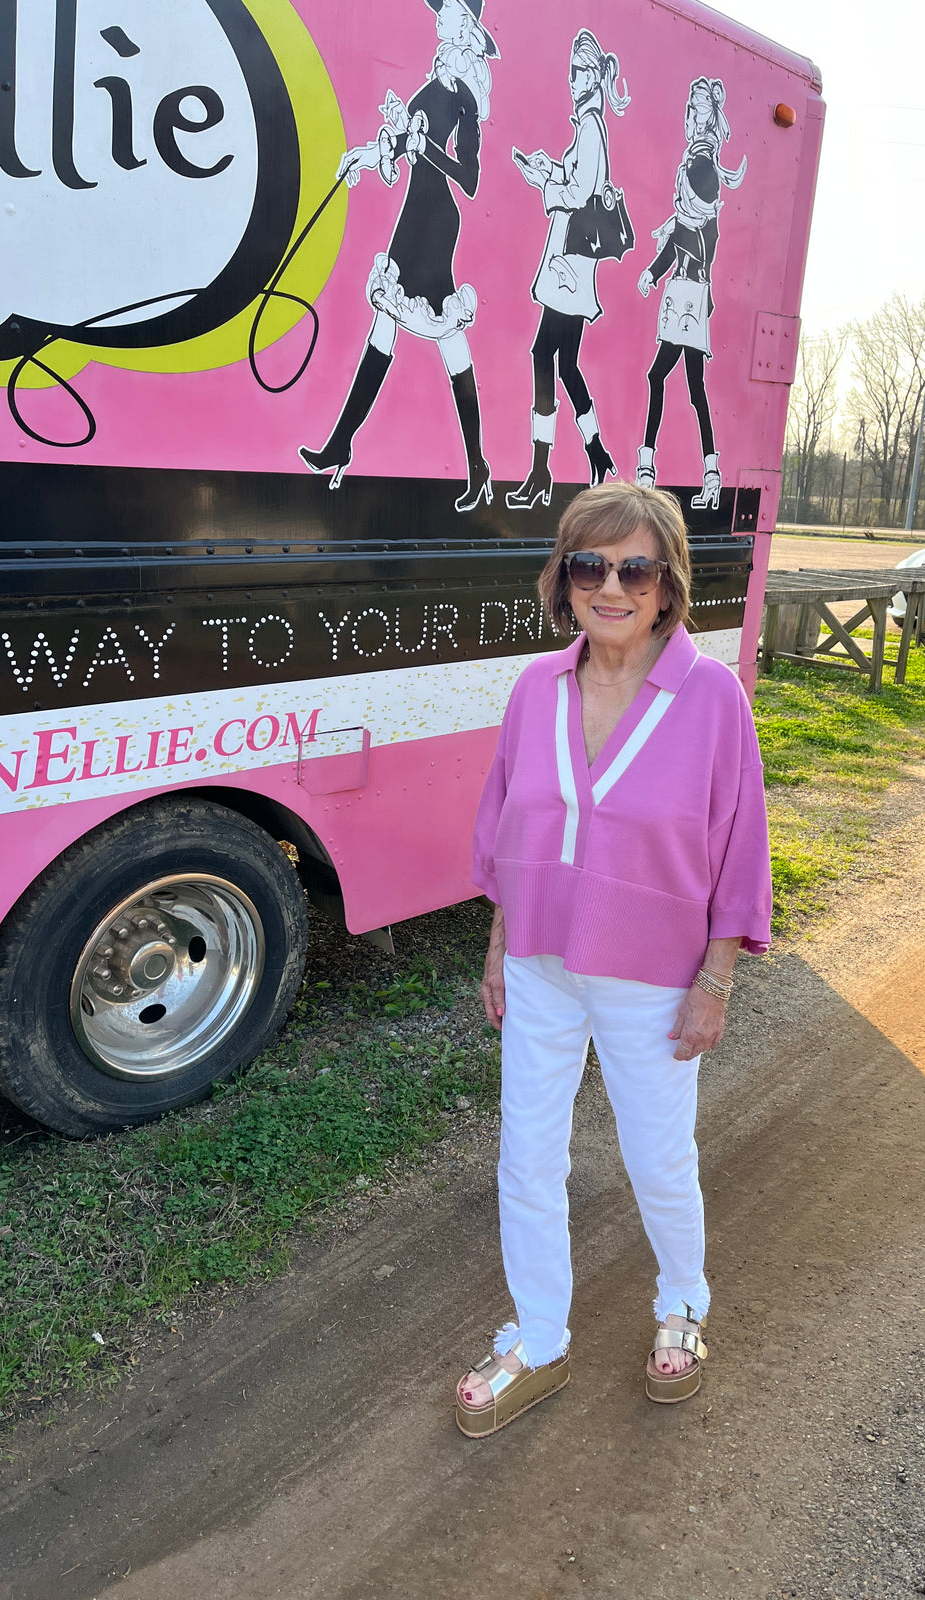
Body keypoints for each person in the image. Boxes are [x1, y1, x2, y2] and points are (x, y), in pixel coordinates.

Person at [456, 481, 773, 1438]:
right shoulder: (535, 689)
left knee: (657, 1158)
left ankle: (684, 1302)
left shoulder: (711, 696)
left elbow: (739, 845)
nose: (612, 586)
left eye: (635, 567)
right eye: (590, 565)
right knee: (526, 1158)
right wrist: (500, 944)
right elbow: (508, 825)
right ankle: (540, 1338)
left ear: (669, 586)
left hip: (654, 980)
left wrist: (716, 978)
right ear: (565, 580)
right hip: (544, 962)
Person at [299, 0, 497, 511]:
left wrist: (424, 145)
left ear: (467, 23)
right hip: (414, 214)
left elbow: (470, 179)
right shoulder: (434, 82)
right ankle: (342, 443)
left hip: (436, 222)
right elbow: (400, 150)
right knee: (388, 324)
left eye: (448, 10)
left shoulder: (465, 95)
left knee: (447, 335)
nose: (438, 15)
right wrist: (364, 157)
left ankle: (476, 465)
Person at [507, 31, 631, 510]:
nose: (572, 79)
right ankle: (593, 455)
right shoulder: (589, 126)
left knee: (545, 355)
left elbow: (581, 193)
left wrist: (545, 184)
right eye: (571, 71)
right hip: (571, 263)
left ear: (594, 76)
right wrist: (549, 172)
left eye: (579, 72)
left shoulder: (591, 127)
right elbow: (579, 182)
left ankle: (544, 469)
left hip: (570, 265)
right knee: (563, 363)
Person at [636, 78, 747, 511]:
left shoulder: (704, 166)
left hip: (688, 293)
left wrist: (653, 266)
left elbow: (699, 234)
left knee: (661, 378)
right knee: (692, 386)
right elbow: (686, 229)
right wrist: (656, 266)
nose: (695, 113)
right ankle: (710, 474)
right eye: (693, 106)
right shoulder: (698, 159)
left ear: (711, 114)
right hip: (687, 292)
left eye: (701, 107)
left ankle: (648, 467)